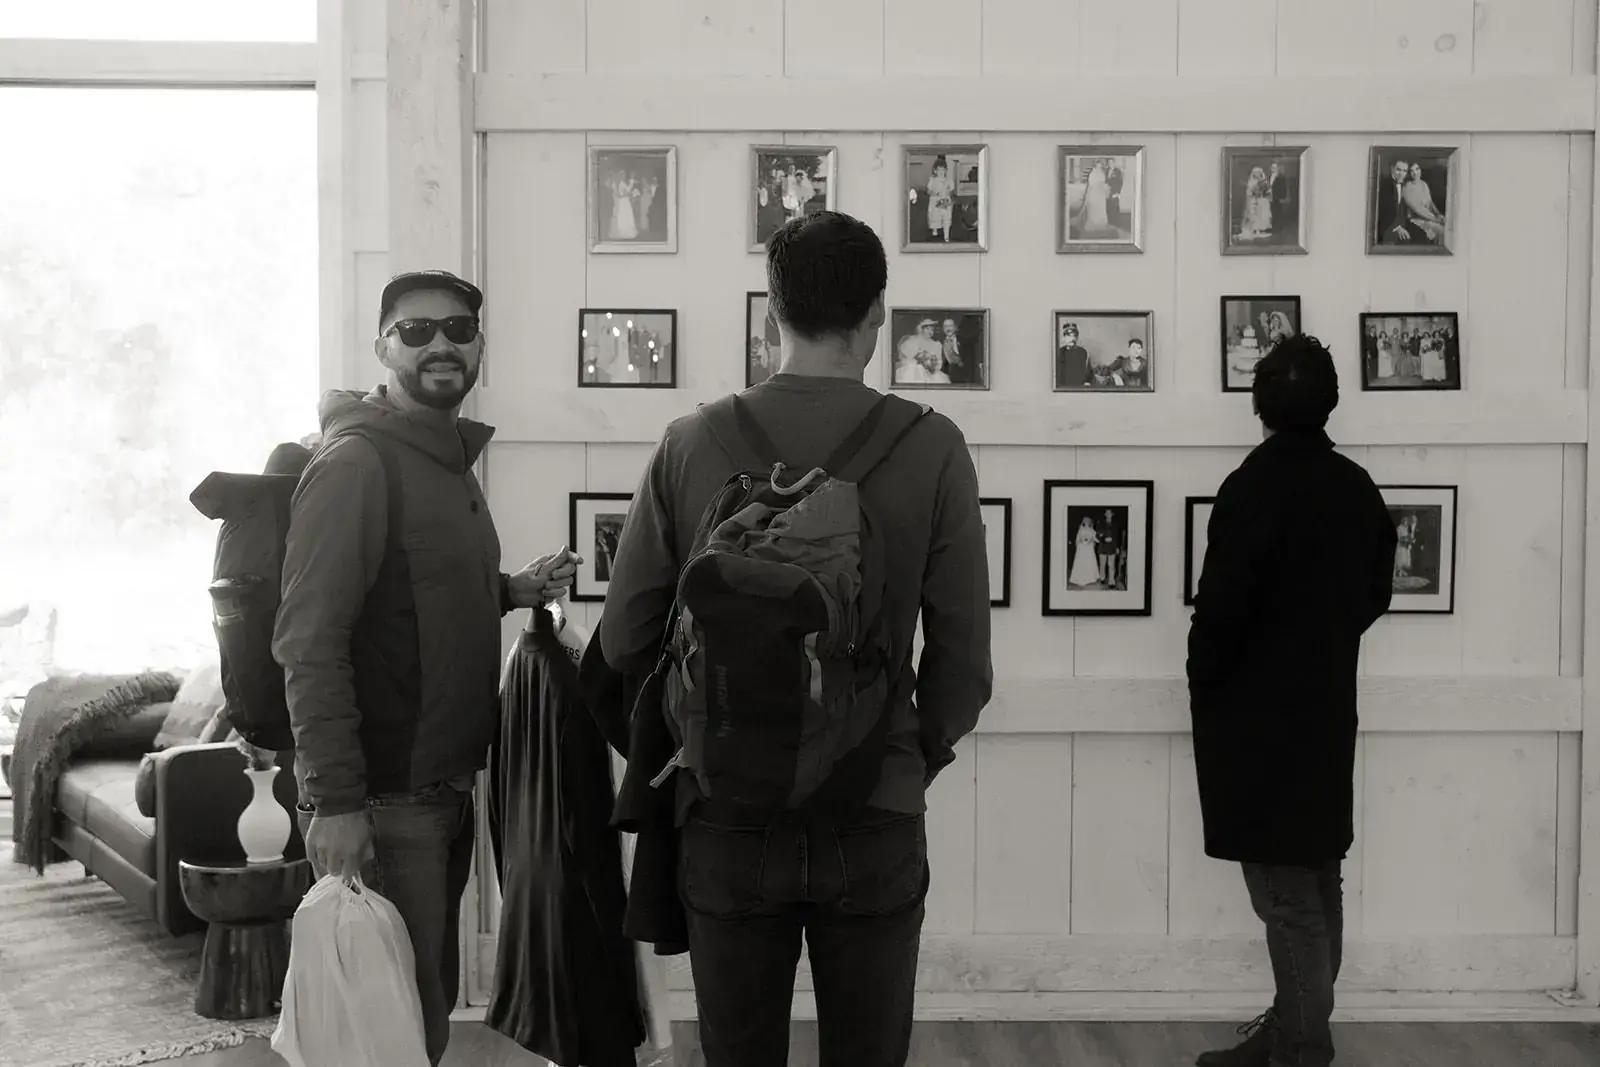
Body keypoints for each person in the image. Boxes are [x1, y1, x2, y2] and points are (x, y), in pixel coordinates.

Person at [598, 211, 993, 1067]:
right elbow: (964, 666)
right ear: (879, 312)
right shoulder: (932, 448)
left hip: (726, 805)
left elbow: (627, 636)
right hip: (874, 809)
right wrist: (904, 753)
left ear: (769, 310)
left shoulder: (690, 442)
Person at [273, 269, 581, 1067]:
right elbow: (309, 639)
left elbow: (413, 595)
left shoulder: (444, 461)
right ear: (381, 346)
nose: (440, 343)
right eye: (415, 330)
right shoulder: (355, 464)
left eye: (457, 329)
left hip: (443, 785)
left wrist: (511, 590)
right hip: (383, 796)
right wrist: (335, 800)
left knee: (421, 1010)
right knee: (388, 1032)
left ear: (480, 346)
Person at [1187, 334, 1397, 1067]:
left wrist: (1206, 684)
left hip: (1256, 716)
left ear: (1260, 403)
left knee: (1284, 893)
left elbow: (1219, 614)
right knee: (1315, 873)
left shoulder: (1251, 487)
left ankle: (1303, 1043)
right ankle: (1292, 1025)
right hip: (1326, 705)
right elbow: (1374, 595)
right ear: (1331, 398)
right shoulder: (1357, 487)